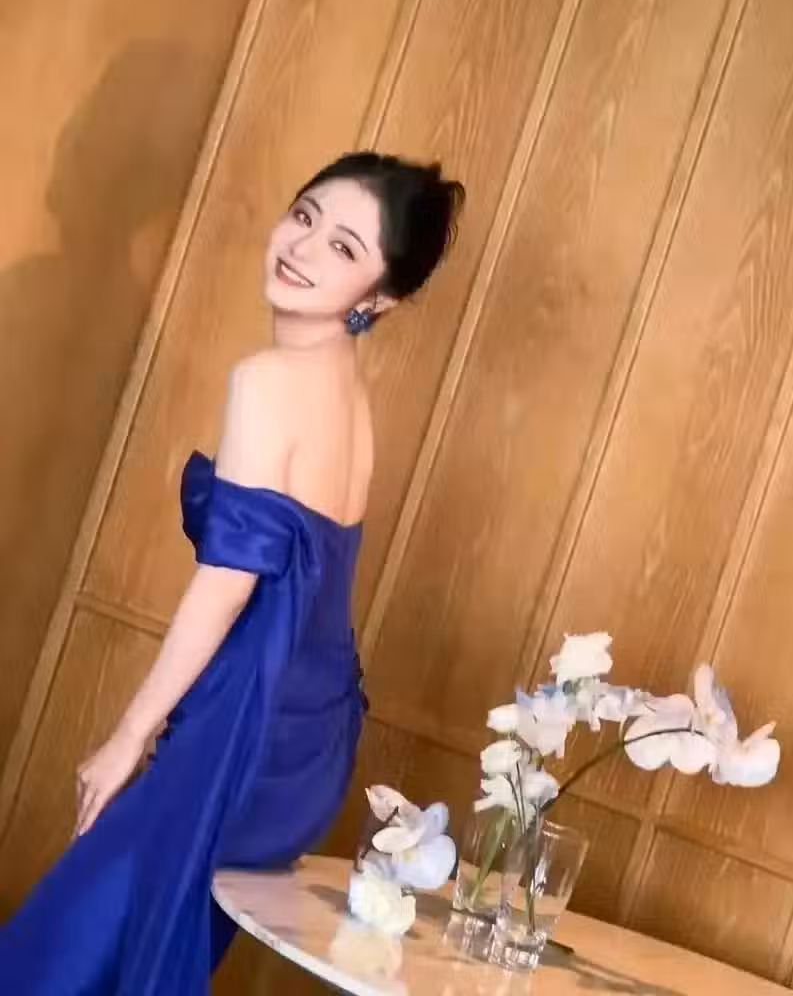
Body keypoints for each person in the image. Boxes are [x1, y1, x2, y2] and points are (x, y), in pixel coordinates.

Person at [0, 151, 465, 993]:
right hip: (312, 741)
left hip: (245, 729)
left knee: (53, 967)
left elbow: (227, 586)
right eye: (304, 215)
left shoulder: (270, 379)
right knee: (120, 960)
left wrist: (127, 739)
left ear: (380, 297)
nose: (303, 246)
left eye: (344, 247)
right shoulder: (350, 398)